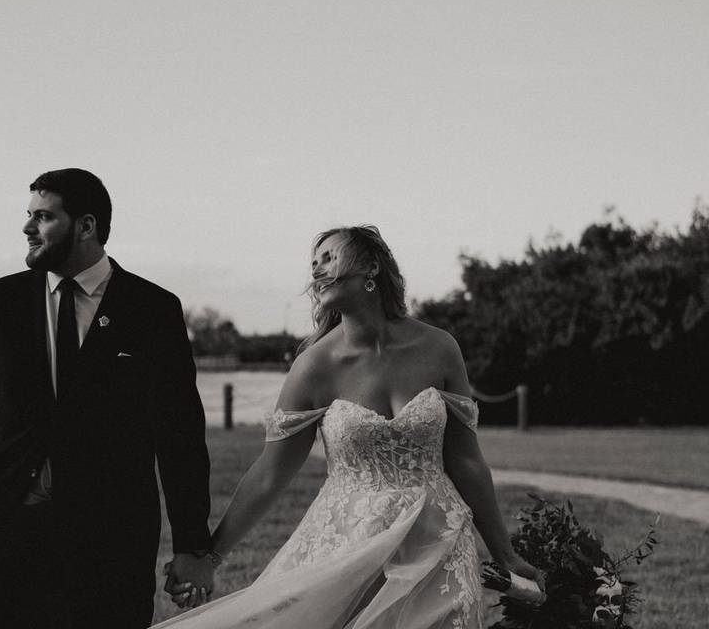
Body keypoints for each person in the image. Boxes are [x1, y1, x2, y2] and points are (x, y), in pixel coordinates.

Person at [156, 225, 542, 628]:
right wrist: (210, 557)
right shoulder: (314, 366)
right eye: (313, 263)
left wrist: (505, 553)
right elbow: (270, 474)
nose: (318, 270)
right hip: (351, 549)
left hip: (438, 542)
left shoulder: (440, 348)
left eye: (329, 257)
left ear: (371, 266)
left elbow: (466, 460)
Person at [0, 168, 217, 628]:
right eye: (29, 216)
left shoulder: (152, 309)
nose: (28, 228)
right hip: (5, 536)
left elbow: (180, 434)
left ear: (86, 226)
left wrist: (191, 545)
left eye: (44, 217)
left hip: (113, 542)